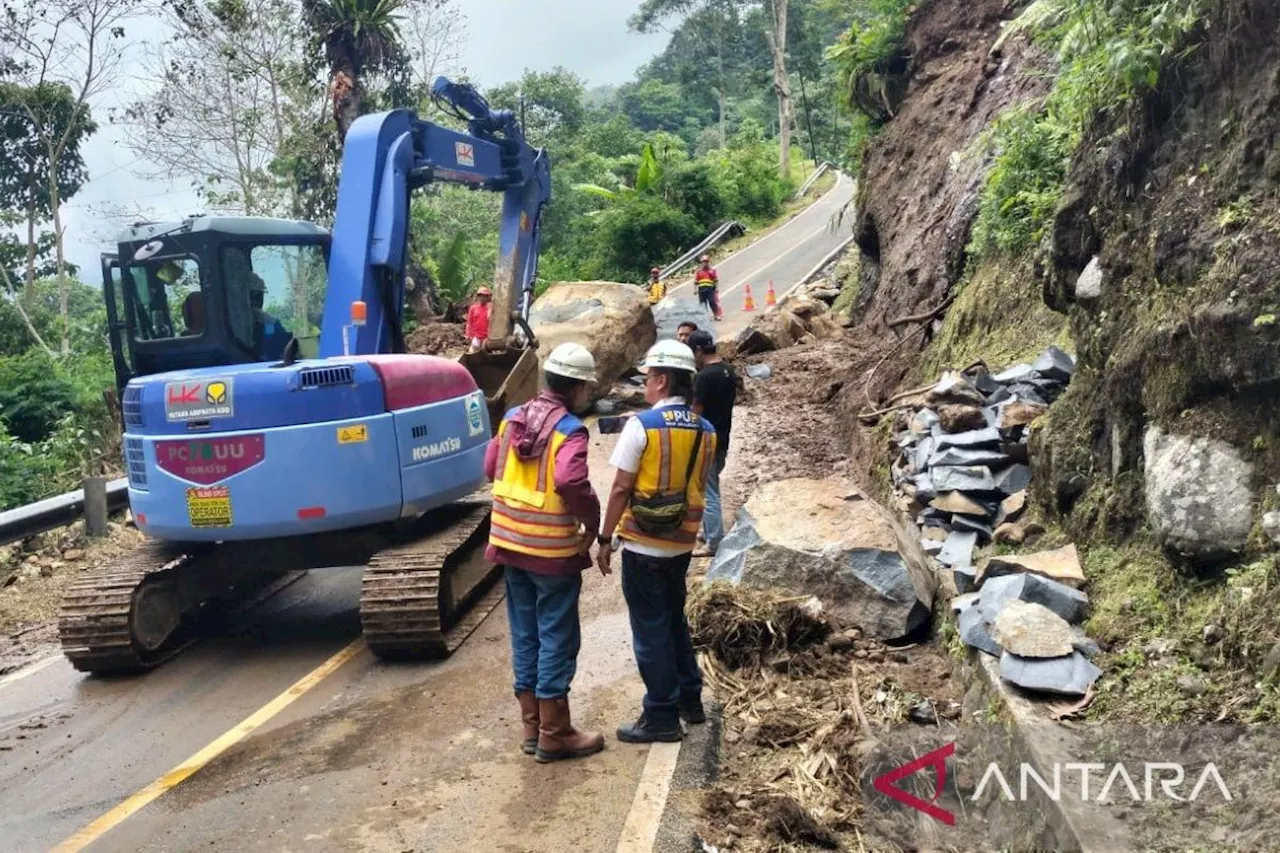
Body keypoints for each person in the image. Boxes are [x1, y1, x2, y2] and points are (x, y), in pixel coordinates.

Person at [485, 342, 607, 764]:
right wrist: (593, 523)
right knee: (557, 635)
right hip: (551, 552)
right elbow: (571, 482)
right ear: (576, 388)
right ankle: (556, 733)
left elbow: (490, 468)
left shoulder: (512, 419)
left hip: (509, 544)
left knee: (525, 634)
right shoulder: (570, 429)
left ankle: (532, 729)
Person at [597, 340, 717, 743]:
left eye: (648, 378)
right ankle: (690, 700)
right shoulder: (707, 430)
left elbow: (619, 489)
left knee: (650, 630)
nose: (645, 386)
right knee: (673, 621)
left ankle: (662, 715)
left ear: (662, 380)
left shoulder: (642, 426)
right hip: (681, 545)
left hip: (645, 545)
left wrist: (603, 537)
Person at [687, 330, 736, 557]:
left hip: (706, 441)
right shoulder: (728, 371)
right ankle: (708, 532)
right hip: (723, 437)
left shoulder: (704, 377)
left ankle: (714, 542)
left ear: (698, 351)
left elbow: (695, 412)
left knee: (708, 492)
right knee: (710, 484)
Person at [693, 255, 724, 322]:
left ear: (708, 262)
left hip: (710, 289)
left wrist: (717, 288)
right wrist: (695, 290)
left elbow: (715, 280)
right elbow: (696, 282)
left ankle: (716, 315)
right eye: (703, 262)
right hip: (701, 290)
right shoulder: (699, 272)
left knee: (712, 302)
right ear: (701, 263)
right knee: (703, 304)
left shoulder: (712, 271)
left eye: (706, 262)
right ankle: (705, 317)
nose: (705, 263)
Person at [466, 287, 493, 352]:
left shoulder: (490, 308)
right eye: (481, 296)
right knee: (474, 350)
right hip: (476, 336)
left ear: (487, 298)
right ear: (478, 297)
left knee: (486, 352)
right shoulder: (473, 308)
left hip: (487, 337)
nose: (483, 298)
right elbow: (469, 322)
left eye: (485, 296)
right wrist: (468, 334)